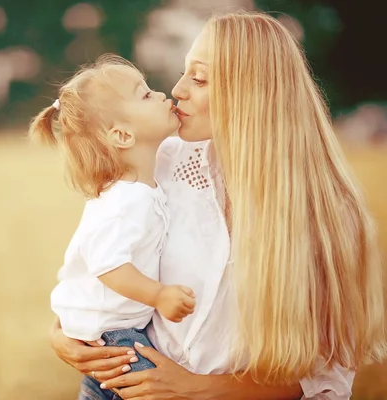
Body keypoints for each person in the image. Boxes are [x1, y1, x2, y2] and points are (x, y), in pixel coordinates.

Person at [49, 11, 387, 400]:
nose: (177, 90)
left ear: (253, 91)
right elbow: (98, 258)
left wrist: (199, 389)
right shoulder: (158, 163)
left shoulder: (330, 212)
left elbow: (331, 375)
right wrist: (60, 336)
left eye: (200, 78)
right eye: (183, 72)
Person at [29, 54, 197, 399]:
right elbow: (108, 265)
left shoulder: (140, 190)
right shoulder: (125, 202)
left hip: (113, 329)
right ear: (122, 135)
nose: (165, 94)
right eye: (146, 95)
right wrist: (159, 295)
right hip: (113, 335)